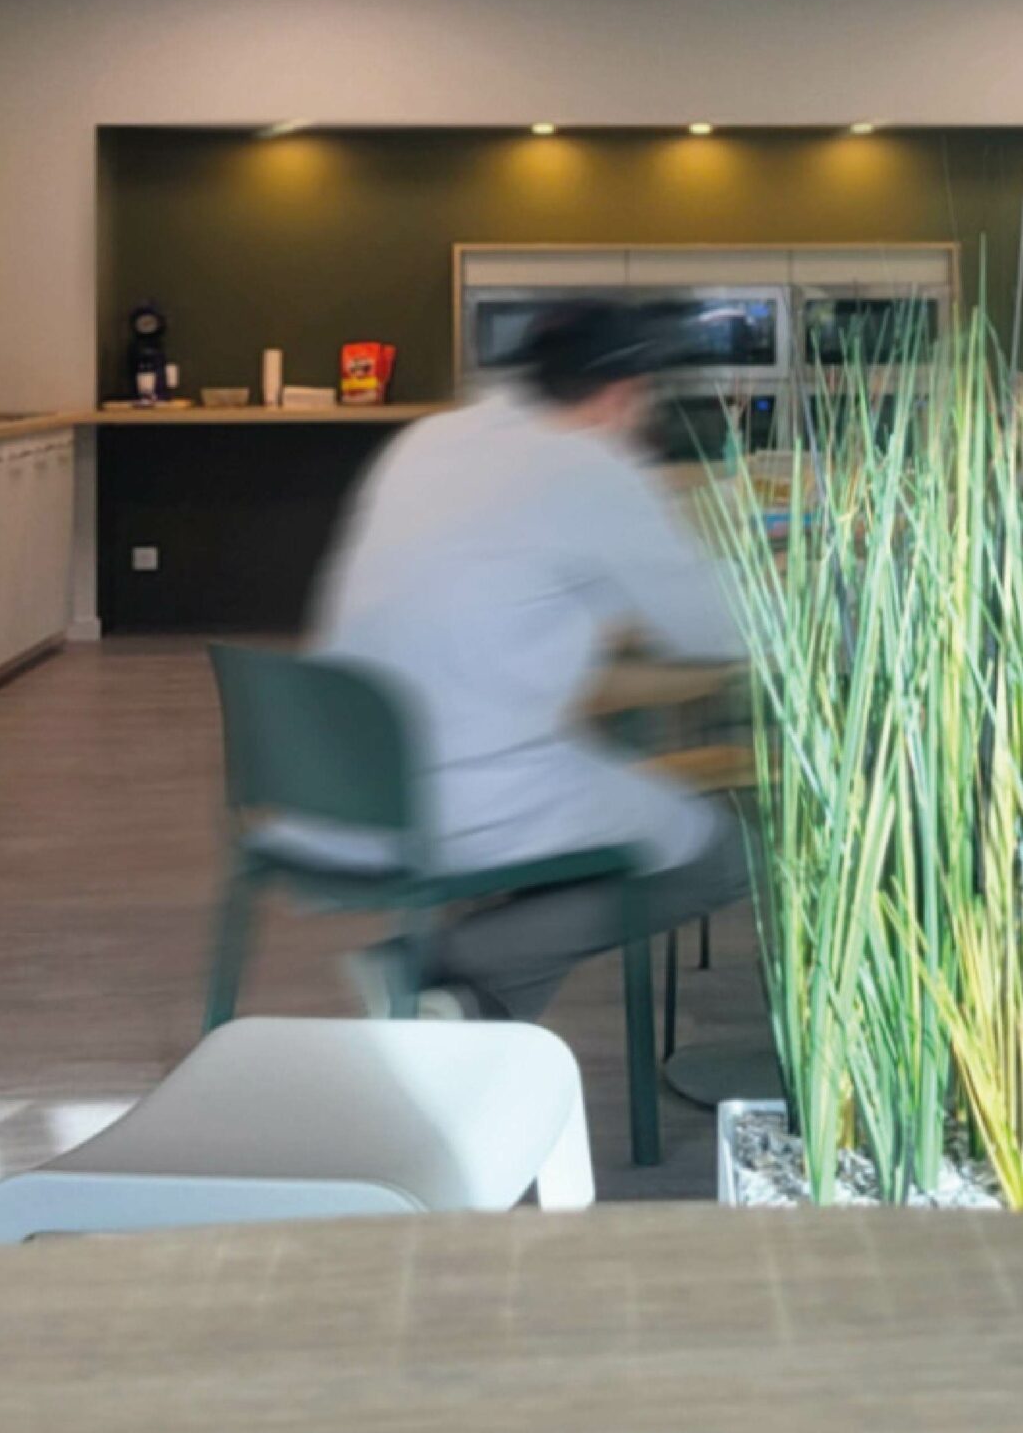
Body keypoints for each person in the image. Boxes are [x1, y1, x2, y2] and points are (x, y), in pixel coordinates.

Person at [301, 298, 750, 1022]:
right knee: (718, 854)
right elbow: (719, 630)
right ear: (622, 395)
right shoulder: (590, 466)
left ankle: (466, 1024)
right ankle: (426, 964)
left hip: (335, 786)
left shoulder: (430, 438)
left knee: (592, 809)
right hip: (454, 798)